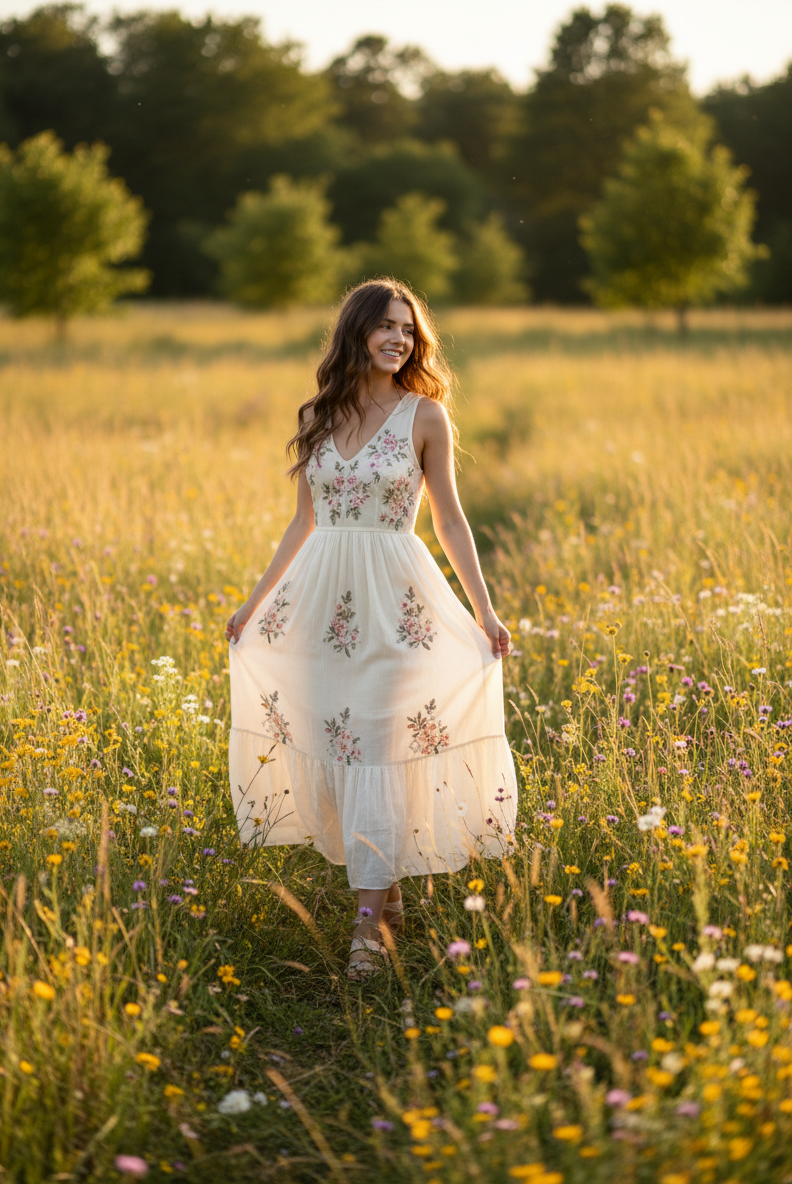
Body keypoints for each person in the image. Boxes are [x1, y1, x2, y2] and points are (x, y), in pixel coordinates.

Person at [225, 278, 518, 981]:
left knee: (380, 746)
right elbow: (303, 521)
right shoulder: (319, 415)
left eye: (410, 330)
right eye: (386, 326)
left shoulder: (426, 416)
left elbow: (448, 519)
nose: (400, 339)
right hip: (323, 605)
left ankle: (364, 929)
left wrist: (484, 610)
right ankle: (383, 901)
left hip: (398, 604)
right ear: (355, 331)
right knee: (347, 747)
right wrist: (253, 603)